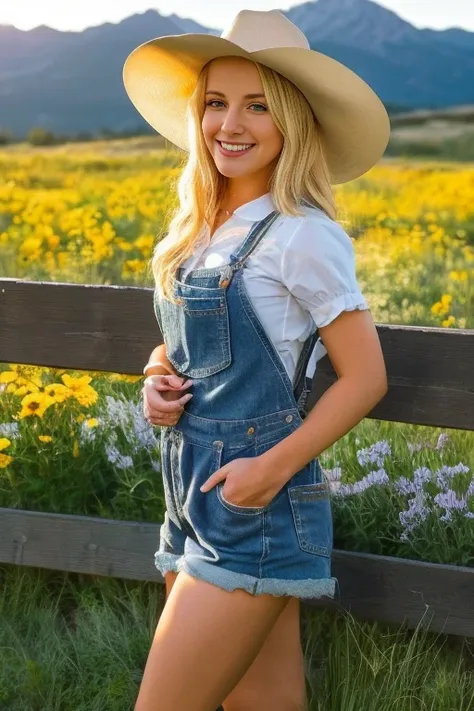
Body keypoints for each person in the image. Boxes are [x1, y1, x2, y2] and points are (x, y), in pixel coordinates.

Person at [124, 8, 389, 711]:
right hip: (190, 500)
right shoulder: (202, 229)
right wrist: (157, 376)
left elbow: (366, 377)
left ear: (292, 122)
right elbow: (189, 350)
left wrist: (267, 471)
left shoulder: (302, 234)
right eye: (216, 103)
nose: (229, 124)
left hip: (255, 503)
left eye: (257, 106)